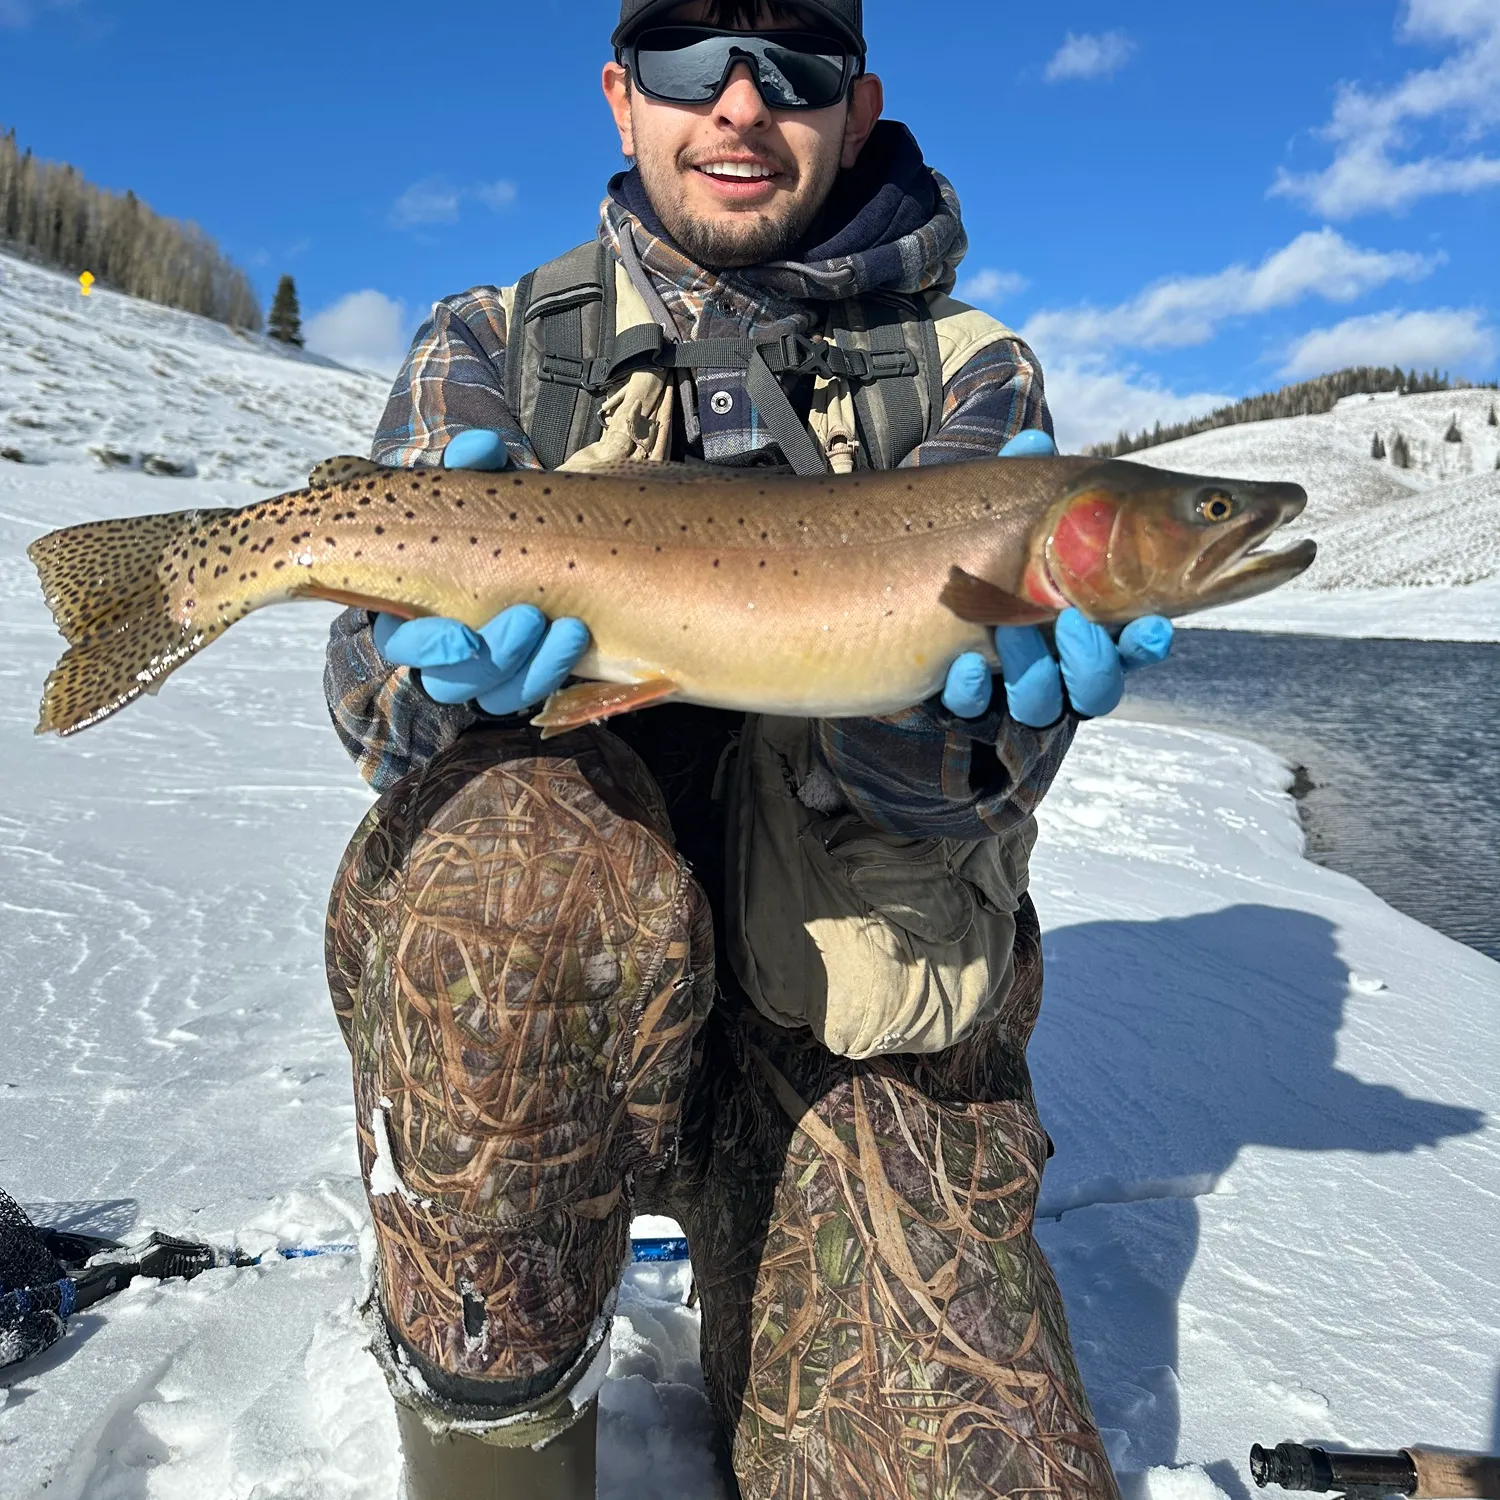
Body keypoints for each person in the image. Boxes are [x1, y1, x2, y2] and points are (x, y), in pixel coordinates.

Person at [322, 3, 1172, 1496]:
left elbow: (982, 801)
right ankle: (494, 1448)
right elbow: (366, 701)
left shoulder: (973, 382)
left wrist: (948, 728)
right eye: (685, 61)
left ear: (857, 104)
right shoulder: (494, 346)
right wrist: (443, 691)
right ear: (616, 96)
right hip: (548, 1032)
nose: (737, 103)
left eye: (793, 67)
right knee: (514, 871)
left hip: (841, 1036)